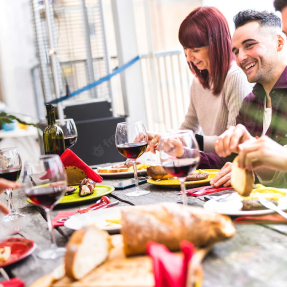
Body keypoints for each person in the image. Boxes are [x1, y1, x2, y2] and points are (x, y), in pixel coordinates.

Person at [148, 6, 252, 159]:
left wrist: (188, 140)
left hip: (230, 166)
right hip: (212, 163)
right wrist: (163, 137)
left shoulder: (235, 77)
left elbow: (233, 141)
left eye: (195, 50)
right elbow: (189, 127)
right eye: (185, 49)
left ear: (216, 45)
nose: (189, 57)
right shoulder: (198, 82)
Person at [213, 10, 287, 188]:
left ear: (279, 42)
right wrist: (185, 154)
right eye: (236, 51)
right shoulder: (250, 102)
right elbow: (230, 158)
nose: (241, 58)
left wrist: (252, 169)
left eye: (250, 45)